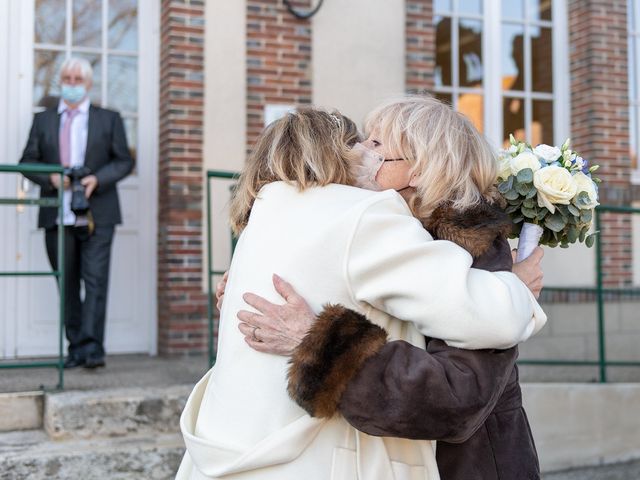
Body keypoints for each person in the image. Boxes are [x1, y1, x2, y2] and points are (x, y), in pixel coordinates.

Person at [176, 106, 546, 480]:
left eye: (376, 143)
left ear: (419, 169)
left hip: (471, 464)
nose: (358, 149)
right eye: (363, 139)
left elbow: (458, 396)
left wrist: (318, 341)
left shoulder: (471, 246)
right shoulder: (360, 217)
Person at [19, 57, 133, 369]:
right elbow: (27, 160)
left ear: (88, 84)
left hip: (99, 214)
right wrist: (52, 177)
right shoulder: (43, 120)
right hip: (57, 215)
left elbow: (124, 161)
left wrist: (98, 178)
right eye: (66, 78)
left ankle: (93, 350)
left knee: (95, 282)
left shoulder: (108, 119)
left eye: (76, 79)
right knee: (66, 284)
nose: (71, 84)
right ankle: (76, 348)